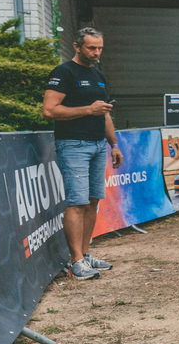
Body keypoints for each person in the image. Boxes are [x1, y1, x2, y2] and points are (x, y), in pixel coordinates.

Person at [43, 26, 124, 281]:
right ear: (77, 46)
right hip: (73, 144)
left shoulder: (98, 75)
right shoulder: (63, 72)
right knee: (77, 203)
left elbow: (105, 113)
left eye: (100, 48)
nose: (96, 52)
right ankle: (75, 261)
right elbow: (49, 110)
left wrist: (114, 144)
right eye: (91, 48)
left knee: (92, 201)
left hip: (99, 145)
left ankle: (85, 254)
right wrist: (88, 109)